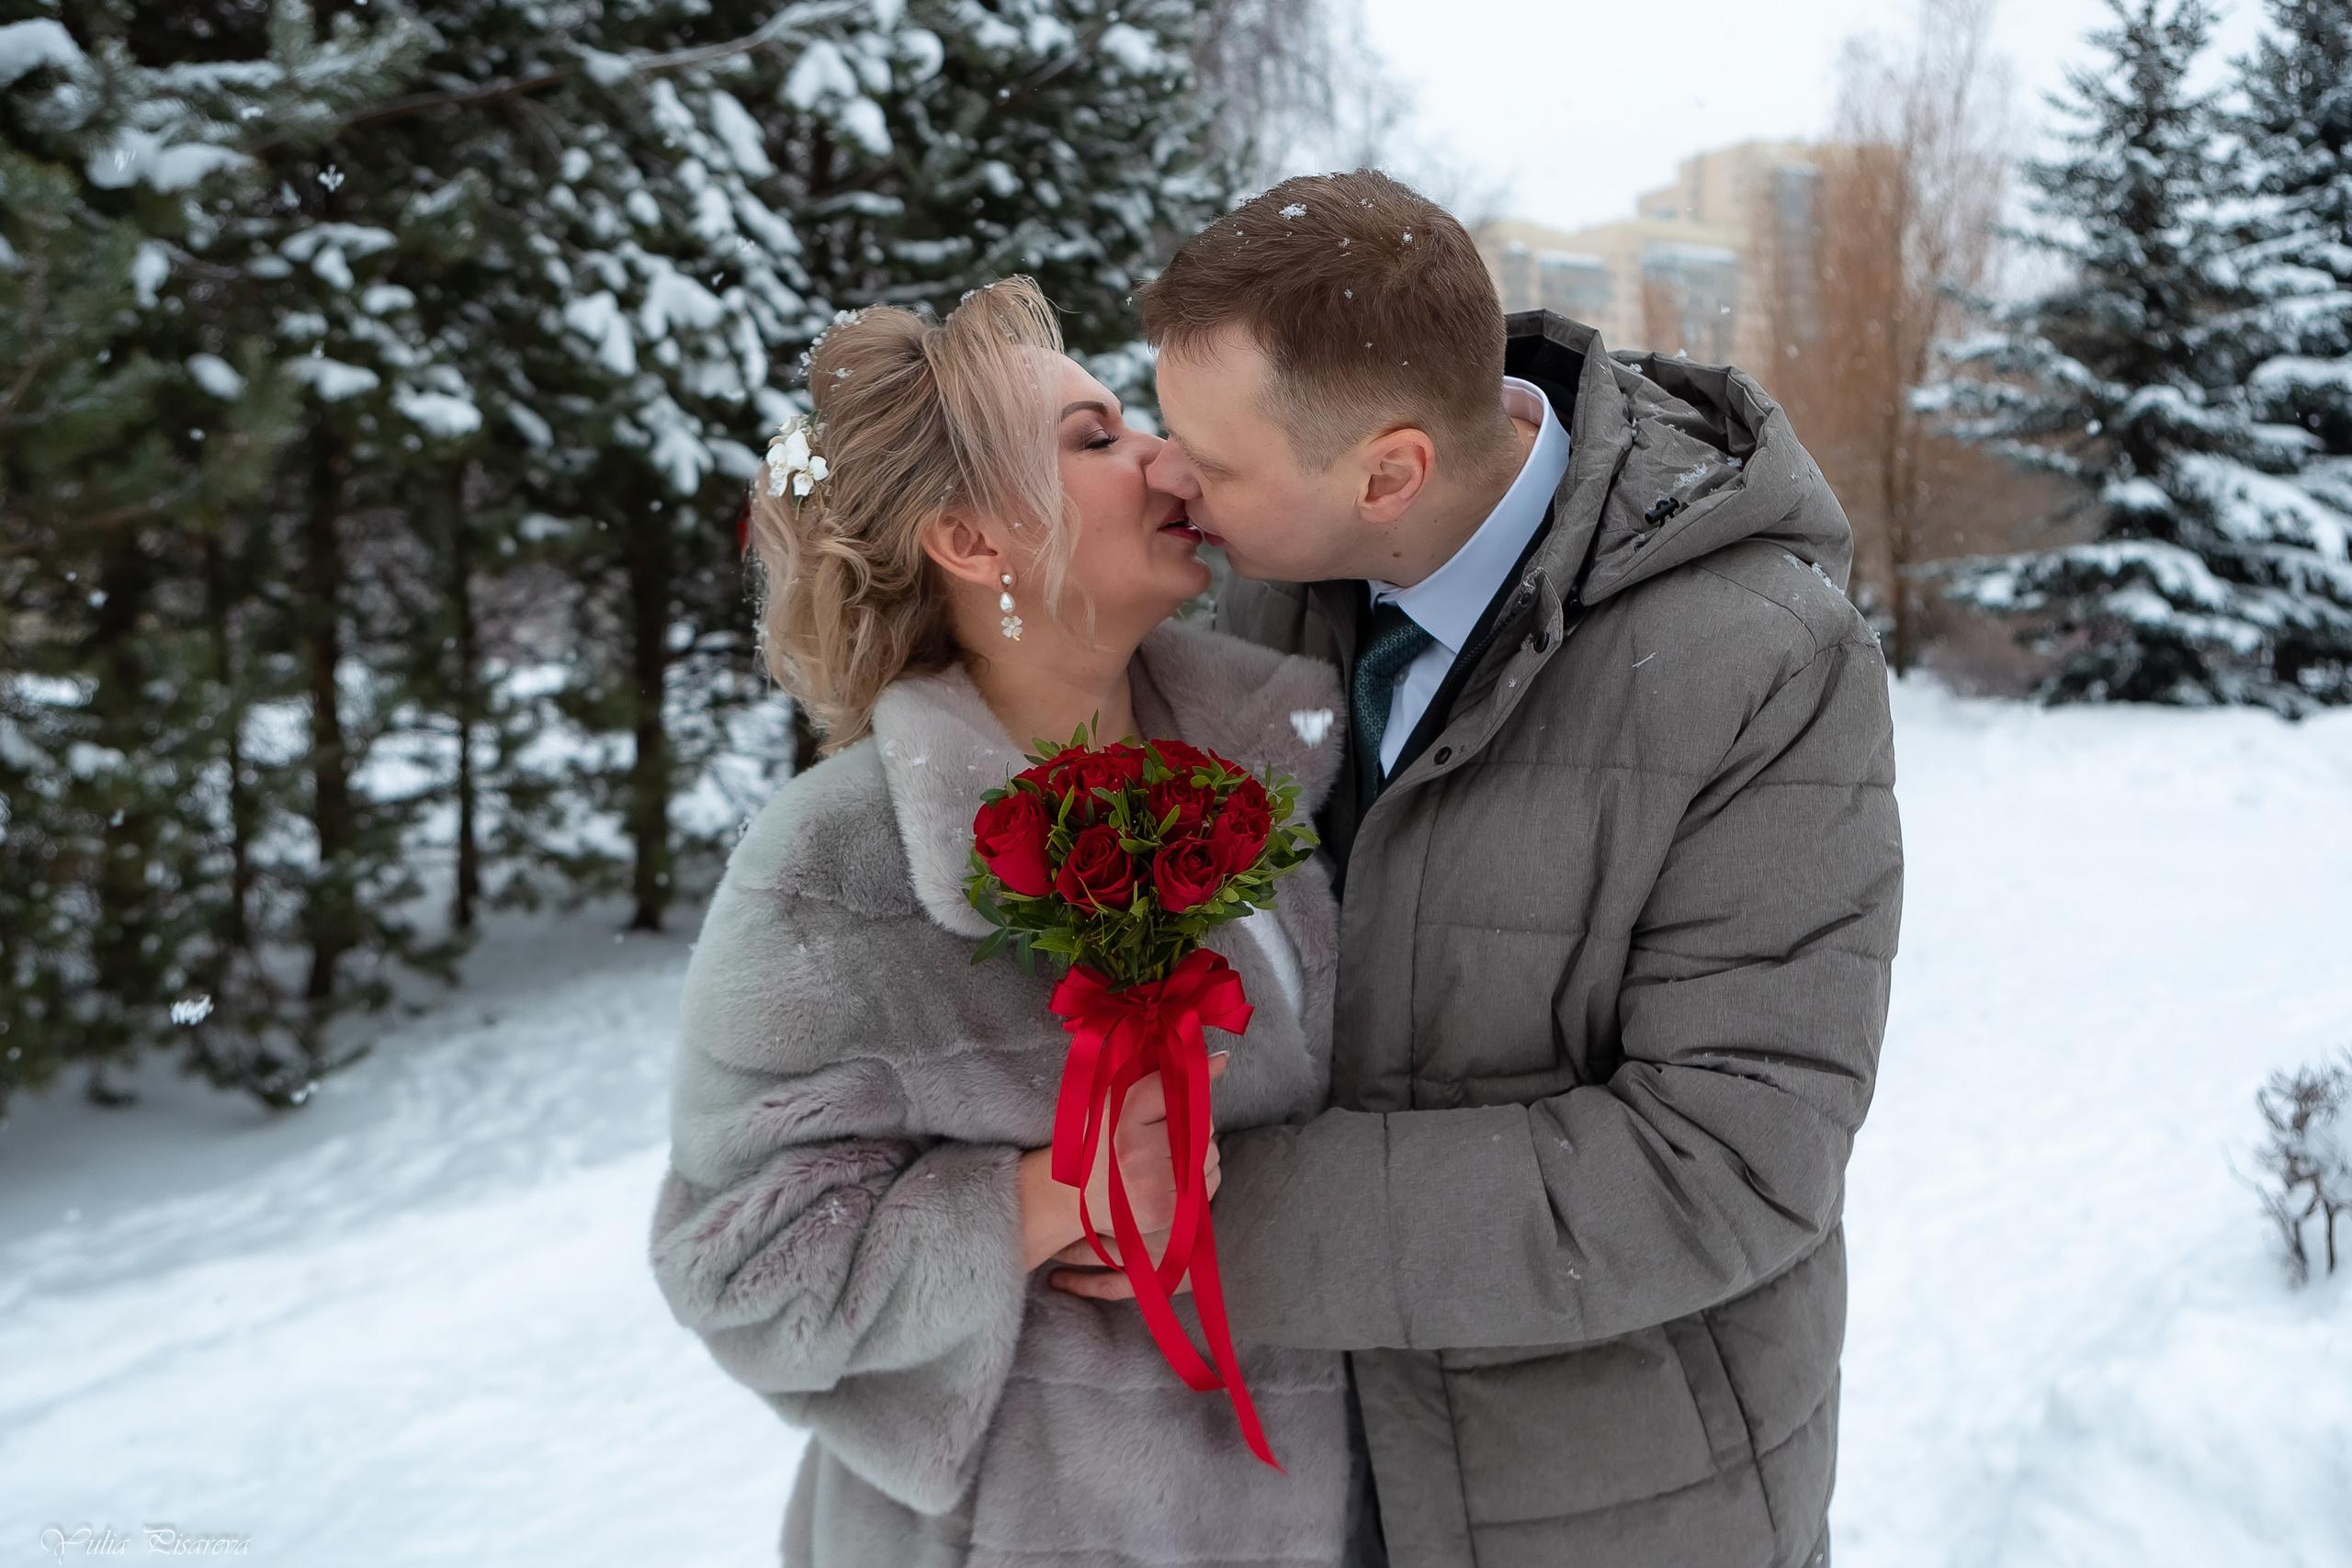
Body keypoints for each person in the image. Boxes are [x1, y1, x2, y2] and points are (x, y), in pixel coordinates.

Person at [1057, 167, 1906, 1568]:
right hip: (1310, 1471)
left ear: (1389, 472)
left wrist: (1216, 1225)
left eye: (1210, 456)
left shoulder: (1762, 662)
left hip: (1620, 1497)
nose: (1164, 473)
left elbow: (1731, 1159)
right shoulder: (1274, 584)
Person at [645, 276, 1366, 1566]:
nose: (1165, 458)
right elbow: (739, 1274)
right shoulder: (834, 863)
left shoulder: (1291, 765)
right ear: (973, 541)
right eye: (1096, 438)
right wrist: (1046, 1198)